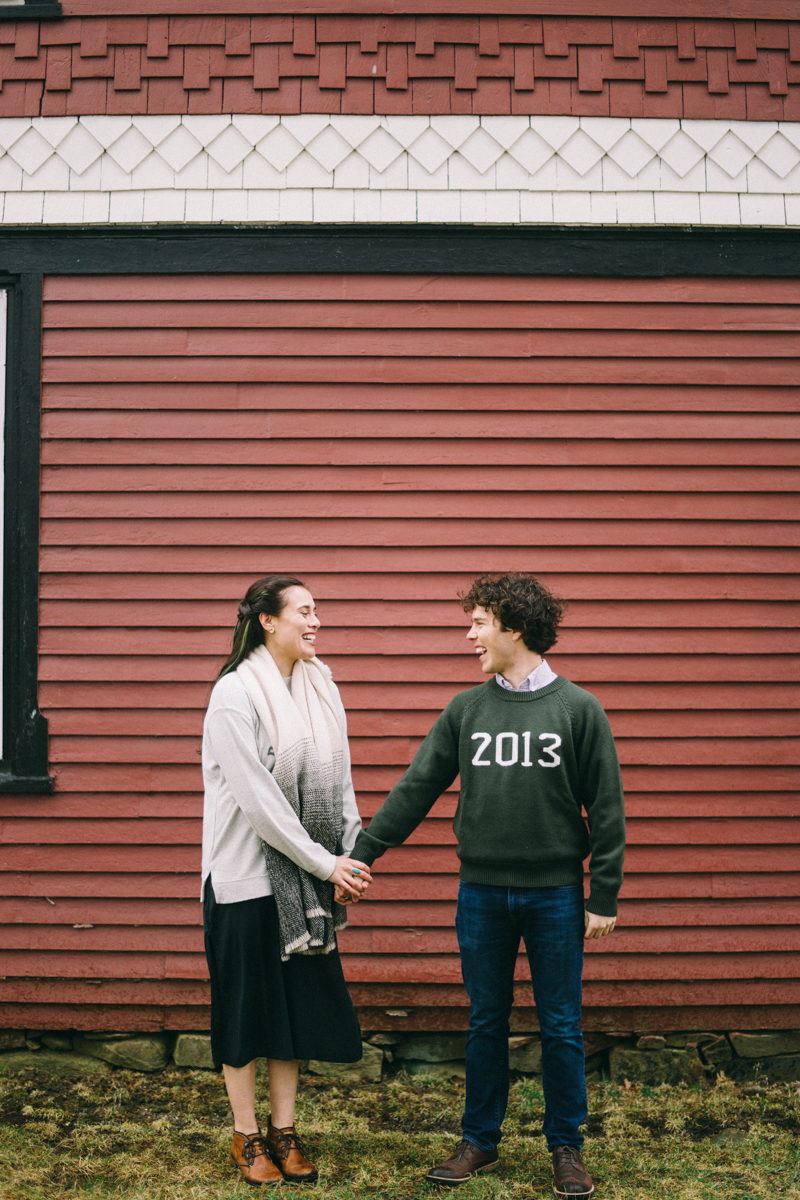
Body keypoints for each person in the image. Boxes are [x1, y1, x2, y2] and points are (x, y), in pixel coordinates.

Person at [351, 572, 625, 1197]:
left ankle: (566, 1148)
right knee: (485, 1021)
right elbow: (417, 787)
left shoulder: (578, 709)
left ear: (515, 626)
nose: (470, 634)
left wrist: (602, 893)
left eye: (479, 622)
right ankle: (479, 1141)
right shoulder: (467, 710)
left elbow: (606, 808)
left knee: (560, 1024)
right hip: (480, 893)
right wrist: (366, 852)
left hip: (556, 894)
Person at [202, 573, 372, 1187]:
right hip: (246, 881)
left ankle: (285, 1131)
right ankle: (246, 1138)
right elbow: (261, 803)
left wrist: (350, 851)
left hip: (304, 883)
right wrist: (324, 864)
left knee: (293, 1013)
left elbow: (339, 781)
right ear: (268, 622)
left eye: (317, 609)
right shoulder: (234, 694)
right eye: (304, 610)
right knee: (247, 1014)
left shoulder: (320, 687)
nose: (316, 620)